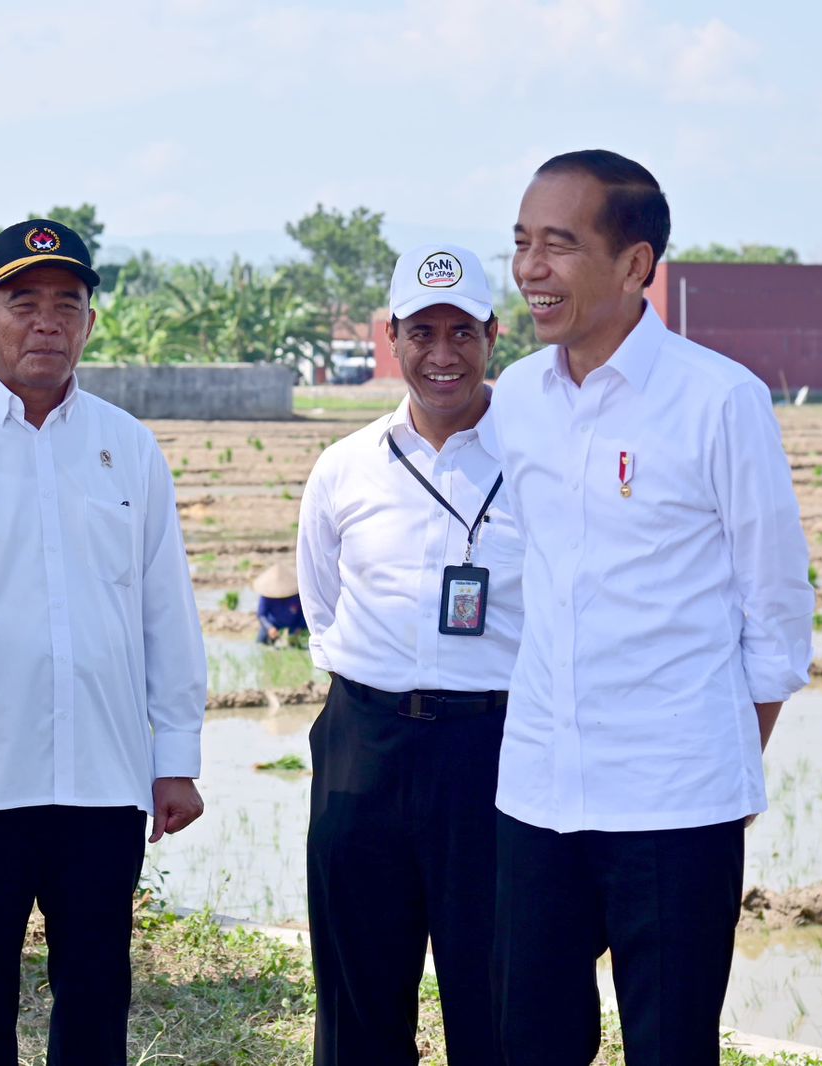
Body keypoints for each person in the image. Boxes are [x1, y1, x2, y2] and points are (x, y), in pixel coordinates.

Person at [488, 150, 814, 1064]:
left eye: (558, 245)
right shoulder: (517, 398)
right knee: (532, 1040)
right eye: (521, 245)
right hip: (539, 793)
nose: (531, 270)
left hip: (676, 803)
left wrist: (720, 755)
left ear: (636, 265)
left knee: (670, 1045)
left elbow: (776, 600)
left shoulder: (719, 401)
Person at [0, 219, 208, 1065]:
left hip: (102, 778)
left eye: (68, 303)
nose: (47, 321)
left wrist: (177, 758)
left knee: (96, 994)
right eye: (24, 302)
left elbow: (166, 613)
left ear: (90, 322)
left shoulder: (126, 448)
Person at [297, 244, 517, 1065]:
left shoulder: (536, 461)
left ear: (495, 335)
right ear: (392, 339)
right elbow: (323, 602)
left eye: (462, 331)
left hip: (493, 751)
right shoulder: (345, 467)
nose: (442, 355)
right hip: (366, 744)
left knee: (496, 991)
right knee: (358, 994)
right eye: (422, 332)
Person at [251, 562, 306, 646]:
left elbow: (305, 613)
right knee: (260, 644)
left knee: (298, 645)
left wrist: (299, 627)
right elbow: (262, 614)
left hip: (294, 625)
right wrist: (269, 628)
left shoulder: (296, 595)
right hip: (274, 624)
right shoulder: (267, 595)